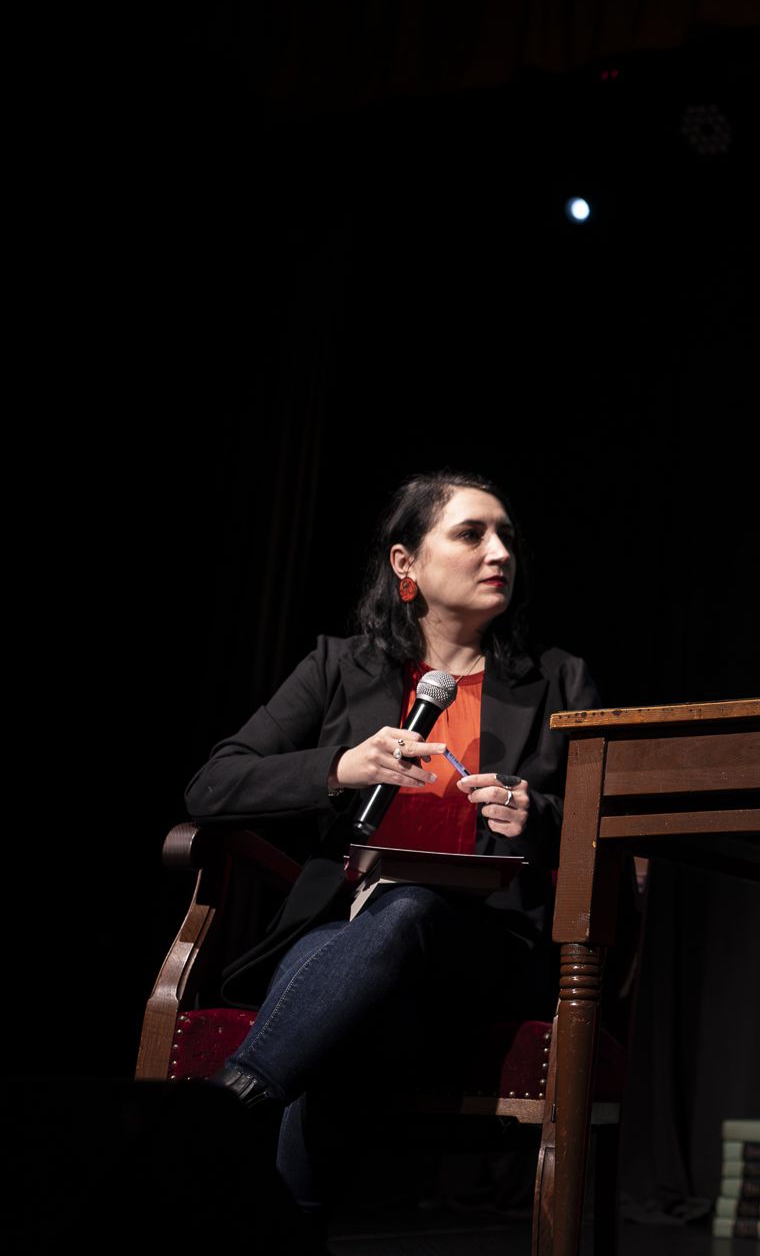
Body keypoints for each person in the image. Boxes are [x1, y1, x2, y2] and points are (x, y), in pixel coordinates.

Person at [187, 471, 600, 1215]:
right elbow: (212, 787)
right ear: (407, 564)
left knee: (406, 909)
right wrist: (338, 767)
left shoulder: (559, 680)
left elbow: (608, 828)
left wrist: (536, 812)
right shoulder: (338, 667)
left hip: (486, 949)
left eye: (505, 535)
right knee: (341, 1001)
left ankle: (214, 1116)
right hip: (352, 943)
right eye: (472, 533)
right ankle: (266, 1175)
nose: (499, 551)